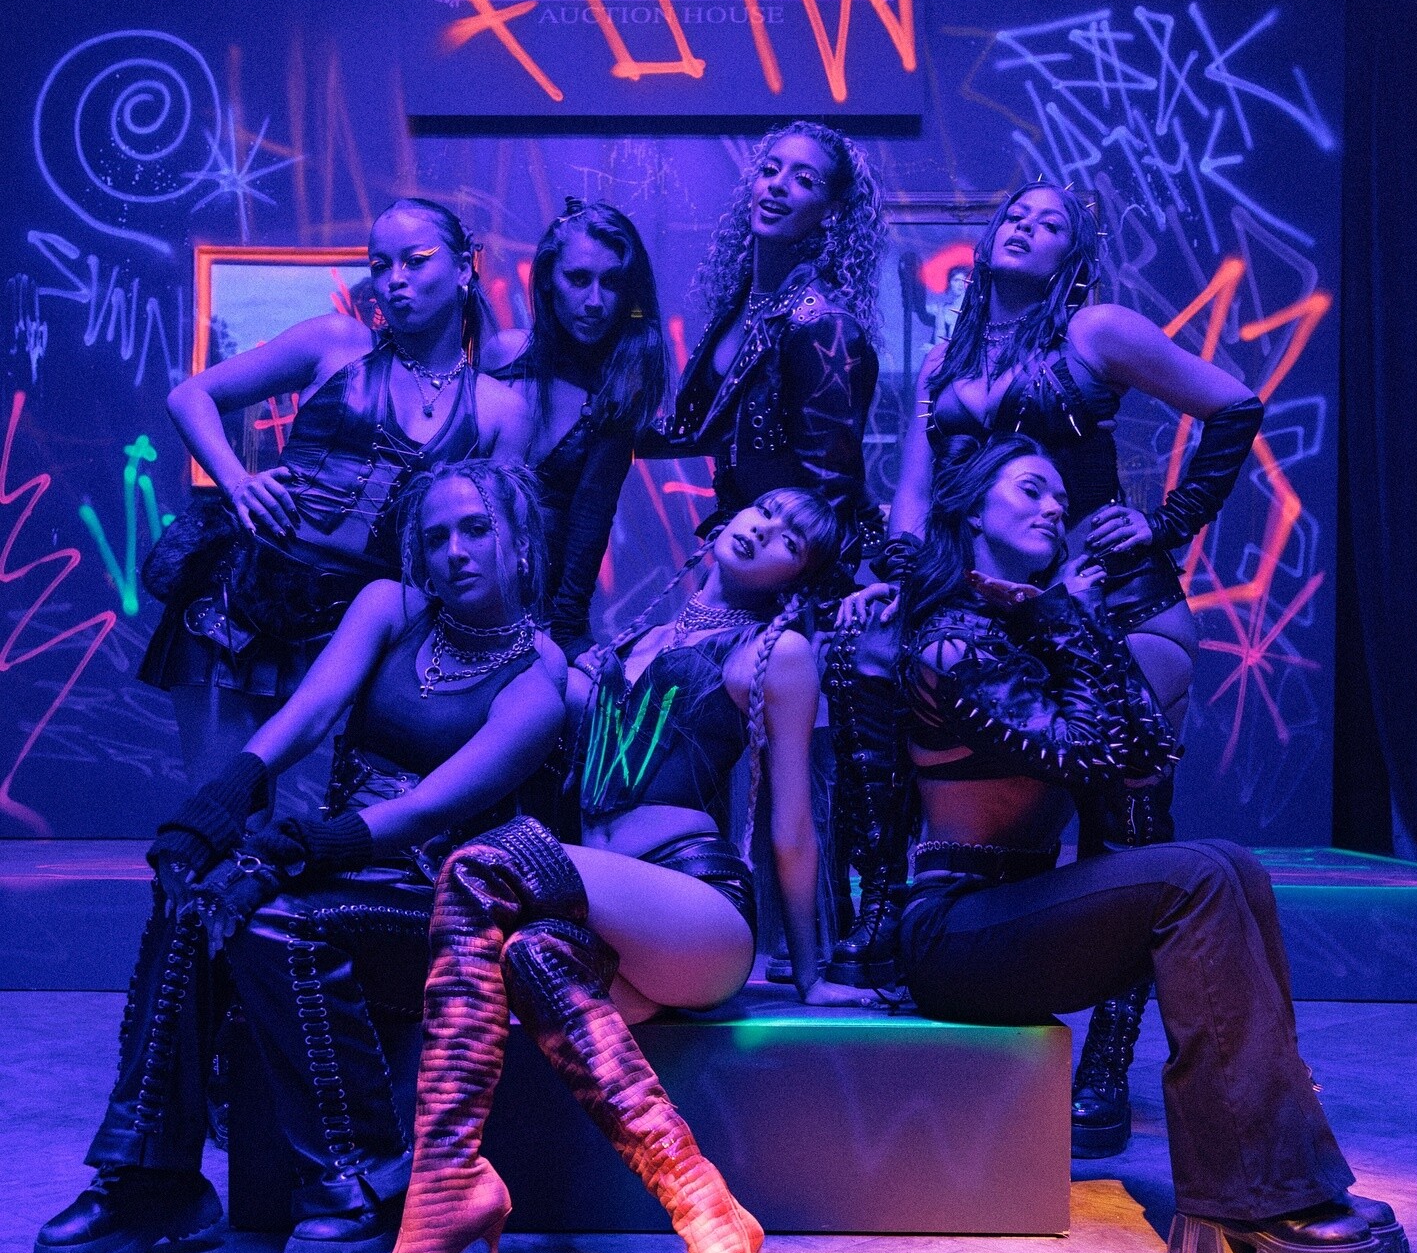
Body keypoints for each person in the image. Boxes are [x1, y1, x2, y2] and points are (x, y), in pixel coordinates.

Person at [326, 488, 860, 1253]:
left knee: (480, 866)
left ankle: (444, 1187)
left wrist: (808, 973)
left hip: (697, 910)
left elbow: (792, 828)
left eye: (793, 538)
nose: (766, 529)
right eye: (764, 510)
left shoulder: (777, 652)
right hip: (608, 920)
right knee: (528, 959)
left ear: (799, 576)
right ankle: (713, 1218)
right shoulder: (633, 637)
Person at [31, 464, 566, 1253]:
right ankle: (148, 1177)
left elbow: (428, 809)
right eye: (435, 537)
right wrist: (229, 793)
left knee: (274, 919)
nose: (455, 551)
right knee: (195, 888)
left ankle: (364, 1181)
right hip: (337, 866)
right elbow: (309, 711)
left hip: (437, 900)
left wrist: (292, 848)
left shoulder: (542, 680)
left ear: (520, 540)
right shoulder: (392, 607)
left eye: (476, 529)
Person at [893, 438, 1406, 1253]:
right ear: (972, 509)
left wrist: (1070, 619)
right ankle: (1255, 1191)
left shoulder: (1034, 625)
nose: (1056, 507)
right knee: (1191, 878)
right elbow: (1095, 754)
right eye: (1031, 490)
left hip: (1023, 913)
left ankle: (1277, 1170)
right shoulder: (951, 644)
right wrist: (1069, 617)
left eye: (1061, 497)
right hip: (955, 934)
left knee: (1230, 863)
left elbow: (1143, 754)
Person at [859, 181, 1267, 1124]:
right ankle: (891, 939)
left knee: (1124, 809)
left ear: (1073, 257)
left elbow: (1234, 404)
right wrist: (898, 582)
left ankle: (1108, 1066)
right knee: (887, 692)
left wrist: (1165, 524)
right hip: (1002, 609)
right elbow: (915, 500)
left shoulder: (1097, 330)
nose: (1024, 228)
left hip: (1118, 607)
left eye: (1049, 224)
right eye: (1014, 216)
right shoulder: (944, 363)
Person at [141, 198, 530, 785]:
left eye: (416, 260)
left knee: (341, 816)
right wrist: (239, 481)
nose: (394, 280)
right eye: (380, 265)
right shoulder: (336, 342)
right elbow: (189, 396)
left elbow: (494, 548)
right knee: (222, 804)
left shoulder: (500, 409)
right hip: (243, 595)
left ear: (462, 268)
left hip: (374, 630)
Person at [637, 121, 886, 566]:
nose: (777, 185)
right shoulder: (745, 303)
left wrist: (808, 596)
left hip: (790, 565)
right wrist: (604, 427)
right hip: (746, 549)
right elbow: (701, 428)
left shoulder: (823, 324)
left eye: (804, 180)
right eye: (770, 170)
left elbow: (829, 495)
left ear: (830, 212)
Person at [482, 199, 670, 660]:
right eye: (579, 279)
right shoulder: (503, 353)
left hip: (536, 609)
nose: (595, 302)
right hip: (454, 582)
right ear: (548, 278)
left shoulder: (619, 387)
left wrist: (566, 631)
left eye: (612, 283)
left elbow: (591, 515)